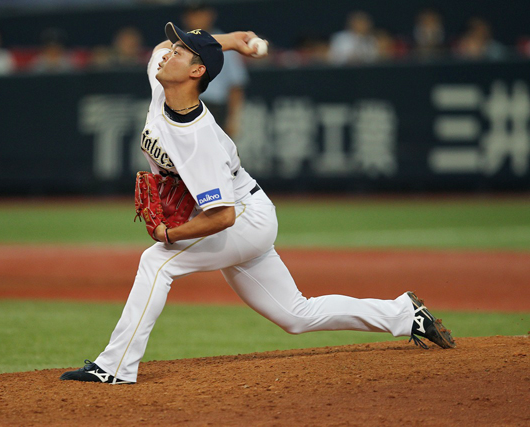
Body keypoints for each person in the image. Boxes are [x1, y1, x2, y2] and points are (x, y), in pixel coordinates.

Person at [60, 22, 455, 385]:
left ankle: (116, 367)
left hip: (243, 218)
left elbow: (223, 216)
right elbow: (161, 46)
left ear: (197, 72)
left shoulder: (199, 141)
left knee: (157, 262)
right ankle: (403, 314)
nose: (167, 53)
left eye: (179, 52)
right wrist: (230, 41)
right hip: (244, 211)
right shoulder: (162, 80)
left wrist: (170, 234)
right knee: (295, 315)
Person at [182, 2, 248, 137]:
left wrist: (233, 120)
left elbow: (236, 86)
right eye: (193, 14)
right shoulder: (175, 44)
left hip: (214, 108)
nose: (197, 18)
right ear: (185, 17)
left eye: (201, 13)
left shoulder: (227, 43)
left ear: (211, 15)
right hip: (182, 108)